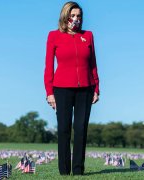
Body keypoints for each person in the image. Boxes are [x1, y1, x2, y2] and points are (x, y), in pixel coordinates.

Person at [44, 1, 100, 176]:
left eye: (78, 16)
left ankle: (78, 171)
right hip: (61, 89)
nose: (76, 19)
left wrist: (96, 87)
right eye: (72, 15)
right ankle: (64, 171)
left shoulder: (88, 36)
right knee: (63, 129)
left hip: (85, 88)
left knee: (81, 128)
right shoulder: (54, 36)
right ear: (65, 16)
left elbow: (93, 64)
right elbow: (48, 66)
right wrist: (49, 92)